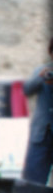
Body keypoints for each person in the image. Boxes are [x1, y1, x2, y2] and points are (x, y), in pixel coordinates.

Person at [23, 37, 53, 185]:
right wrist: (41, 78)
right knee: (32, 183)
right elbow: (27, 90)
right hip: (41, 134)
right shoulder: (42, 71)